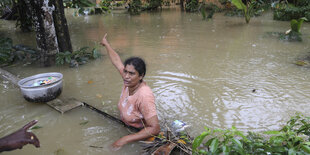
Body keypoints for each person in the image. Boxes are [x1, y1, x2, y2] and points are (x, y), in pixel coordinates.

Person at [100, 34, 160, 150]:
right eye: (125, 72)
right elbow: (117, 61)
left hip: (139, 133)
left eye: (131, 74)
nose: (126, 76)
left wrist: (125, 139)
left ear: (141, 76)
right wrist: (106, 44)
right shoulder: (129, 81)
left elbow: (155, 128)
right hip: (125, 125)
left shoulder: (144, 95)